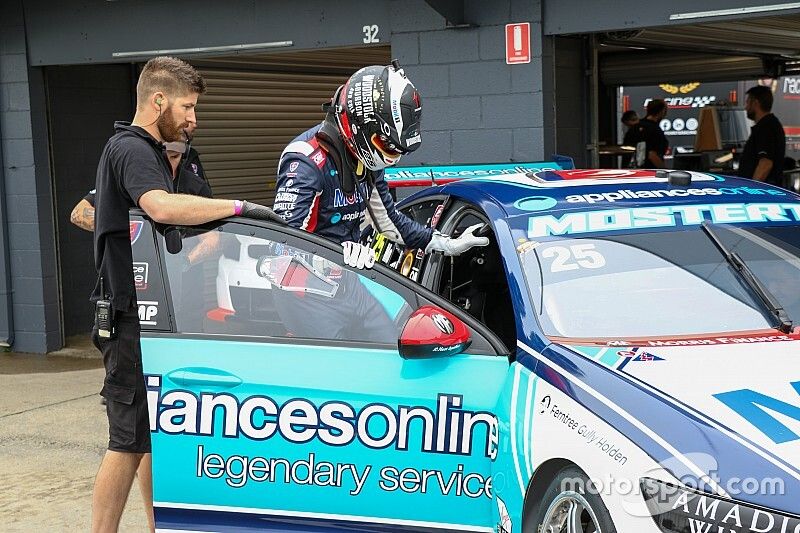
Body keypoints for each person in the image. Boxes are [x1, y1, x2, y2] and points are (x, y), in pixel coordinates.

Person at [90, 55, 276, 533]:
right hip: (129, 318)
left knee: (150, 439)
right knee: (126, 441)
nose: (194, 118)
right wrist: (242, 206)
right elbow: (160, 206)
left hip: (155, 318)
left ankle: (158, 525)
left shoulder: (162, 152)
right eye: (187, 107)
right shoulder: (130, 148)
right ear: (158, 100)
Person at [273, 61, 488, 267]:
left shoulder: (365, 158)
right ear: (360, 128)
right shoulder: (306, 162)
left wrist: (448, 243)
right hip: (305, 293)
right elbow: (279, 249)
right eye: (388, 145)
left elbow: (389, 221)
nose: (393, 157)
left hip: (345, 277)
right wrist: (331, 256)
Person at [70, 123, 209, 231]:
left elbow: (213, 238)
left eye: (174, 157)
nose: (167, 164)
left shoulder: (195, 185)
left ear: (183, 156)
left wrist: (185, 260)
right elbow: (78, 212)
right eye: (162, 157)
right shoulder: (134, 177)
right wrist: (126, 226)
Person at [739, 84, 785, 185]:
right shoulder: (770, 125)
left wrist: (751, 189)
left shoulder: (766, 128)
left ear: (755, 103)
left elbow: (765, 164)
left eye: (747, 103)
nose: (746, 108)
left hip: (762, 193)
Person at [631, 99, 669, 169]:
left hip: (633, 170)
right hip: (650, 171)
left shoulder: (635, 127)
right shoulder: (655, 130)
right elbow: (652, 155)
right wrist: (665, 171)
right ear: (662, 111)